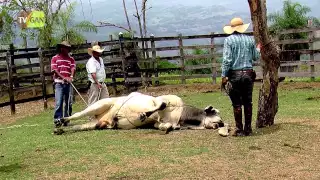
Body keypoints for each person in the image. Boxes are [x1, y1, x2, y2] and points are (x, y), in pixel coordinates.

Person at [221, 17, 261, 137]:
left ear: (232, 29)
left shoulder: (229, 40)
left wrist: (224, 75)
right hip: (248, 74)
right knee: (248, 102)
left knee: (237, 103)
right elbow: (255, 56)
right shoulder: (250, 40)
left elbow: (227, 60)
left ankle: (239, 130)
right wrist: (258, 48)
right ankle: (248, 129)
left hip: (235, 75)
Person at [51, 41, 76, 128]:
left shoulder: (71, 59)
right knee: (59, 102)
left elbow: (73, 68)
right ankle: (58, 119)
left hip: (68, 83)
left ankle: (66, 119)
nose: (67, 50)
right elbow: (55, 70)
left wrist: (71, 76)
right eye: (66, 48)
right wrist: (63, 77)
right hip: (59, 83)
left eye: (68, 48)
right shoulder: (55, 58)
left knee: (69, 102)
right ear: (62, 48)